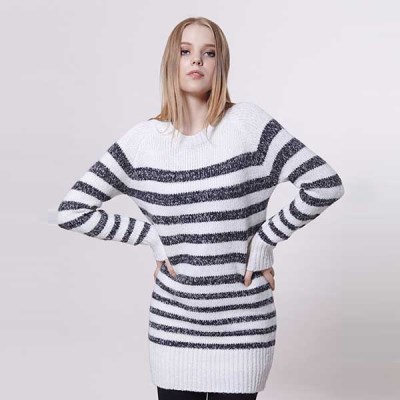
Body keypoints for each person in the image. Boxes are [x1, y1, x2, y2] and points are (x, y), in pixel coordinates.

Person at [55, 16, 345, 400]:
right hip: (173, 327)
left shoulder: (248, 124)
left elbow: (324, 183)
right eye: (185, 51)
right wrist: (151, 238)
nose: (196, 60)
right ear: (171, 62)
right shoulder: (143, 141)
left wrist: (265, 240)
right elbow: (72, 210)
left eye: (209, 53)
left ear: (220, 64)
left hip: (244, 325)